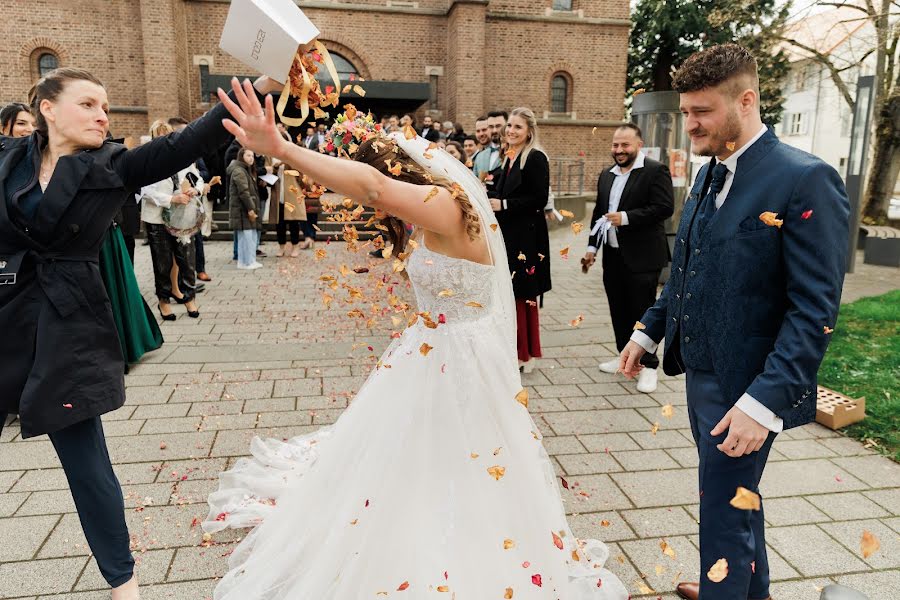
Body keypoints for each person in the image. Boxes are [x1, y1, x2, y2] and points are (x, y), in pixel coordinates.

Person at [202, 77, 629, 600]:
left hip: (460, 355)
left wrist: (283, 149)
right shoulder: (431, 210)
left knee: (459, 447)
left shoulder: (445, 207)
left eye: (384, 179)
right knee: (413, 444)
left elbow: (373, 188)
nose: (378, 200)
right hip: (429, 346)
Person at [0, 67, 268, 600]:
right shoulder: (7, 160)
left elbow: (186, 140)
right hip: (6, 314)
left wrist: (260, 86)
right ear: (48, 108)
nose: (103, 113)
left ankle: (124, 583)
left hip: (67, 327)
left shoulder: (114, 165)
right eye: (89, 103)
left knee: (87, 466)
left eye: (106, 104)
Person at [618, 44, 849, 600]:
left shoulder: (806, 180)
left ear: (746, 101)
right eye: (686, 112)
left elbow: (814, 309)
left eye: (702, 112)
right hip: (700, 371)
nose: (689, 124)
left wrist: (763, 403)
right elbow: (687, 268)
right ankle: (752, 592)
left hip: (751, 384)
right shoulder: (706, 175)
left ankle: (724, 586)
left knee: (721, 509)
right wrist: (649, 329)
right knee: (736, 495)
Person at [583, 123, 674, 393]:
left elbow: (664, 207)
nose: (619, 150)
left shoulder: (655, 170)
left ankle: (649, 366)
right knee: (618, 309)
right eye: (615, 145)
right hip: (612, 254)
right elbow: (599, 213)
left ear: (638, 144)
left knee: (643, 312)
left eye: (625, 145)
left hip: (643, 256)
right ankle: (625, 357)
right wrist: (591, 247)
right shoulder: (606, 175)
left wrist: (626, 218)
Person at [489, 107, 551, 373]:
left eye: (517, 127)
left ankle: (526, 355)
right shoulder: (509, 157)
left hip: (527, 239)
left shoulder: (535, 158)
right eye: (510, 126)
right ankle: (513, 350)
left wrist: (502, 204)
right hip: (509, 236)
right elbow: (498, 189)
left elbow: (538, 199)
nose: (511, 131)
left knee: (522, 294)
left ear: (529, 132)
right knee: (509, 292)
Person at [140, 120, 203, 319]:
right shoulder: (147, 160)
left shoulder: (182, 159)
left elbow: (198, 179)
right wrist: (171, 199)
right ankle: (163, 301)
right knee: (162, 262)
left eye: (165, 136)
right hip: (157, 218)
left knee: (186, 260)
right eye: (158, 136)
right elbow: (145, 190)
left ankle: (189, 297)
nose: (162, 140)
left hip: (181, 219)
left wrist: (196, 189)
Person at [228, 146, 263, 269]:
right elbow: (244, 192)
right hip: (242, 209)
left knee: (248, 236)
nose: (251, 158)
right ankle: (247, 262)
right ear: (241, 156)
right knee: (247, 237)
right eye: (248, 155)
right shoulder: (239, 171)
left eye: (252, 156)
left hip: (245, 208)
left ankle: (246, 261)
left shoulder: (245, 170)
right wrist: (251, 208)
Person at [472, 110, 507, 184]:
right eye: (491, 127)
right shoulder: (480, 156)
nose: (494, 130)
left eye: (498, 126)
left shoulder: (512, 153)